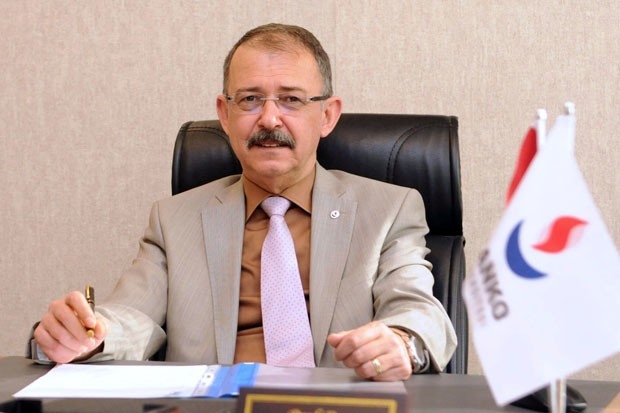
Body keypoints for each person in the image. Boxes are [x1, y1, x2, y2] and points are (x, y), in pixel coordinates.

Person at [31, 23, 457, 381]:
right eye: (250, 99)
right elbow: (133, 317)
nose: (269, 119)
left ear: (327, 115)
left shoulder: (388, 210)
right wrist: (89, 335)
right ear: (225, 113)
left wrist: (402, 341)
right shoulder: (174, 219)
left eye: (291, 99)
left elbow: (417, 309)